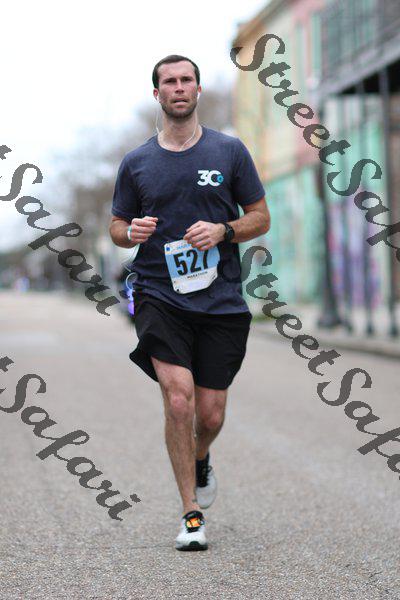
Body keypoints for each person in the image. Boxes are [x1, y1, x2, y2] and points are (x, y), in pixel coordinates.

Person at [109, 54, 270, 551]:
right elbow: (117, 227)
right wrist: (129, 233)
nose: (178, 87)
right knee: (178, 398)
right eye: (169, 81)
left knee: (211, 415)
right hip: (159, 294)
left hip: (221, 298)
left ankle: (201, 458)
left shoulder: (229, 151)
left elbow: (260, 216)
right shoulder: (136, 163)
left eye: (186, 80)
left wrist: (224, 230)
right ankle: (190, 512)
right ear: (156, 93)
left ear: (198, 90)